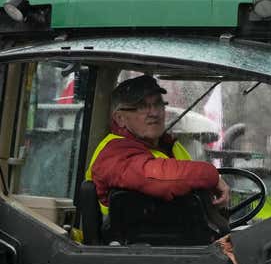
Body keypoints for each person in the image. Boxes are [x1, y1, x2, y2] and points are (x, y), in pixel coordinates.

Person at [86, 74, 230, 218]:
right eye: (142, 106)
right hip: (123, 239)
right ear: (120, 118)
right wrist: (212, 177)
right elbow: (159, 179)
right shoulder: (113, 152)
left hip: (180, 235)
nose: (154, 113)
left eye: (158, 104)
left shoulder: (170, 146)